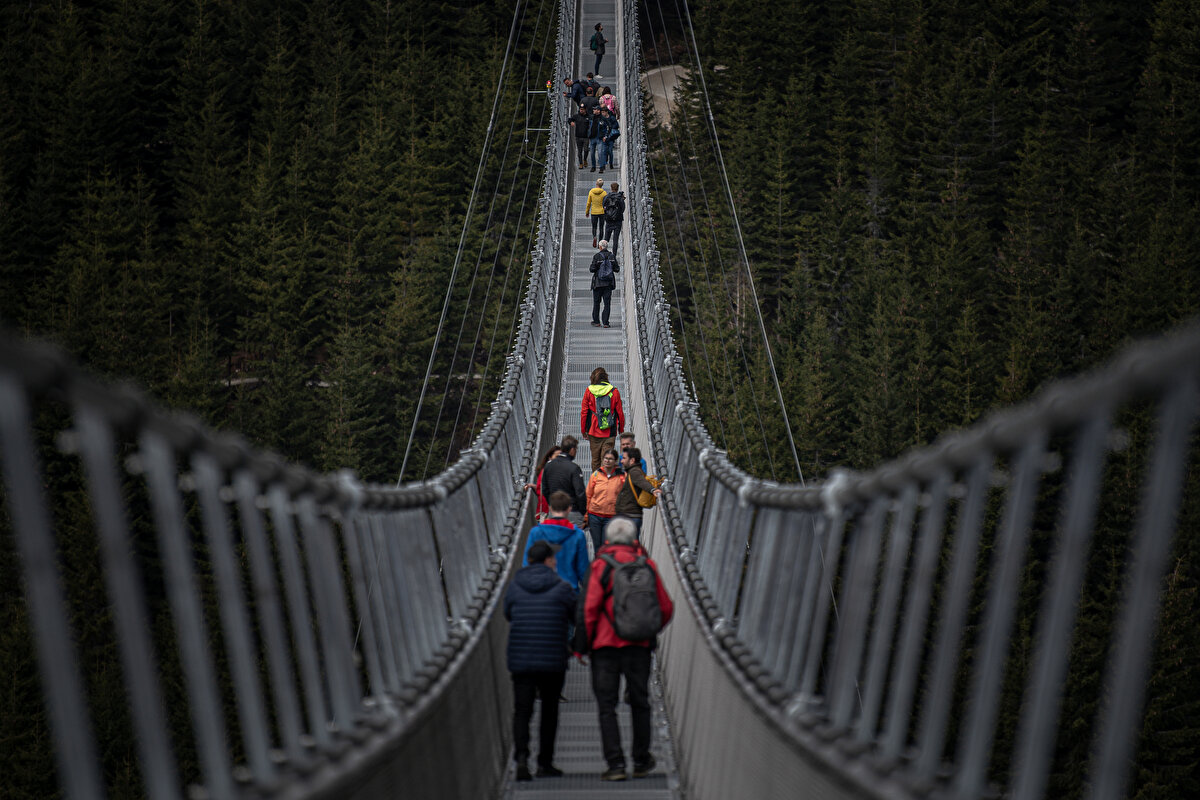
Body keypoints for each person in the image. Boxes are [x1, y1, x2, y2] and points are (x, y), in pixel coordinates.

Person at [579, 519, 673, 781]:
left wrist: (584, 645)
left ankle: (616, 764)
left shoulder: (600, 566)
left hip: (605, 646)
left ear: (607, 540)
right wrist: (647, 630)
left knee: (607, 705)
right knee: (640, 702)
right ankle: (642, 760)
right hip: (638, 647)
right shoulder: (647, 565)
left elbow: (590, 608)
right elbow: (665, 607)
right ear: (634, 540)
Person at [505, 540, 576, 781]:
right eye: (553, 558)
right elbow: (575, 616)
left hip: (521, 657)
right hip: (552, 658)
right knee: (549, 710)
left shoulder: (515, 586)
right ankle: (545, 762)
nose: (555, 561)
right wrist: (579, 647)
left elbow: (507, 613)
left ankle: (522, 758)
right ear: (547, 561)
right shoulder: (562, 587)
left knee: (522, 710)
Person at [524, 491, 589, 590]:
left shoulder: (536, 532)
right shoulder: (578, 535)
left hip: (541, 589)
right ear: (569, 509)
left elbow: (527, 563)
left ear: (550, 508)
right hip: (568, 590)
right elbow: (583, 570)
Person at [581, 367, 624, 472]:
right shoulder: (614, 391)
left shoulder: (589, 391)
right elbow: (620, 413)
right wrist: (621, 429)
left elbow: (584, 413)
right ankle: (605, 483)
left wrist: (584, 430)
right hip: (609, 431)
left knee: (595, 460)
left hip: (593, 431)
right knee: (607, 460)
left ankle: (596, 483)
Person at [541, 436, 587, 528]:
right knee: (573, 539)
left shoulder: (548, 466)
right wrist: (582, 511)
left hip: (554, 511)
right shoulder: (574, 468)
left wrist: (552, 504)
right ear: (572, 450)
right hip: (573, 511)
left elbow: (545, 489)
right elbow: (580, 492)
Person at [614, 447, 659, 537]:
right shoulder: (634, 471)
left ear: (632, 460)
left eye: (624, 458)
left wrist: (652, 490)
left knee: (628, 547)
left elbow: (642, 482)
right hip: (630, 516)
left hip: (630, 517)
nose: (621, 461)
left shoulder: (634, 472)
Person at [585, 448, 624, 553]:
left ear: (615, 461)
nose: (607, 461)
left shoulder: (621, 477)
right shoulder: (596, 475)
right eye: (605, 458)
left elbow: (625, 496)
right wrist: (586, 515)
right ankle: (599, 567)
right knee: (597, 546)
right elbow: (588, 495)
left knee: (606, 546)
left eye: (610, 459)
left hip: (611, 517)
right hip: (594, 515)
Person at [524, 445, 561, 521]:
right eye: (557, 456)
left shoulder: (545, 470)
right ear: (549, 457)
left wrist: (533, 486)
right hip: (550, 513)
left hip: (545, 513)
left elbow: (542, 488)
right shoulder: (550, 472)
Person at [589, 240, 619, 328]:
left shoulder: (597, 256)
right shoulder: (612, 256)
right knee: (607, 303)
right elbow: (617, 269)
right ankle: (606, 322)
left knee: (596, 302)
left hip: (598, 283)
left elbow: (592, 269)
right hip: (608, 284)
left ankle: (596, 321)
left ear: (600, 247)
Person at [601, 182, 625, 254]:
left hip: (609, 220)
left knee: (606, 239)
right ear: (617, 189)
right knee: (615, 239)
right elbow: (623, 209)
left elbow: (603, 206)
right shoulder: (620, 198)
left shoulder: (606, 197)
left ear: (611, 188)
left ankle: (604, 254)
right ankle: (613, 256)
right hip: (618, 221)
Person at [585, 177, 607, 247]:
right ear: (602, 185)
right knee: (601, 228)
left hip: (594, 212)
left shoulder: (591, 192)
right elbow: (606, 203)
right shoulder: (604, 193)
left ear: (596, 184)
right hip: (602, 212)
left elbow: (588, 203)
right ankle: (600, 243)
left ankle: (594, 236)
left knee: (594, 227)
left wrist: (587, 212)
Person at [570, 104, 592, 169]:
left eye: (582, 109)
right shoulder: (576, 116)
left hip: (586, 136)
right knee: (579, 151)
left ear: (585, 110)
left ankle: (585, 159)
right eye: (580, 109)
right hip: (578, 136)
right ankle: (580, 163)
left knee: (586, 149)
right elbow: (570, 119)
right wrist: (571, 122)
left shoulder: (588, 116)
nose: (581, 111)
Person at [598, 107, 619, 175]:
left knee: (610, 151)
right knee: (604, 151)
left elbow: (616, 125)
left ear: (607, 112)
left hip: (610, 138)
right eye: (602, 112)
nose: (603, 113)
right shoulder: (601, 119)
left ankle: (611, 163)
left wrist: (611, 127)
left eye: (604, 112)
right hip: (603, 138)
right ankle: (604, 164)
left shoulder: (612, 118)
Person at [587, 106, 604, 174]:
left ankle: (601, 167)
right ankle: (593, 166)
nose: (593, 110)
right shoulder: (591, 117)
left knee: (600, 153)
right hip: (592, 137)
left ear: (599, 111)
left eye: (595, 109)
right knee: (592, 153)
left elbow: (606, 126)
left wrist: (604, 135)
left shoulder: (602, 118)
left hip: (599, 137)